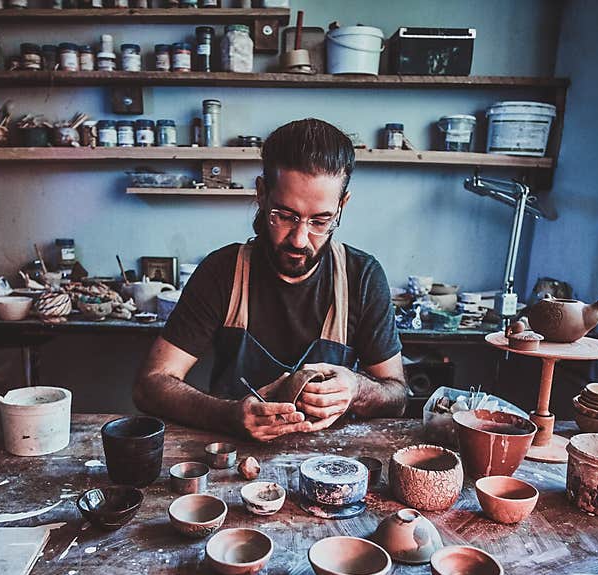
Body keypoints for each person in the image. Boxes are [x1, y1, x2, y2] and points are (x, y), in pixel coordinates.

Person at [133, 118, 407, 441]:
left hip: (331, 462)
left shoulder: (361, 277)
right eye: (285, 216)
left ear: (341, 207)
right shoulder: (224, 272)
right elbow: (150, 384)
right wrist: (230, 415)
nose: (300, 239)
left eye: (320, 221)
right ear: (262, 194)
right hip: (232, 457)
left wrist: (357, 388)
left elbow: (398, 397)